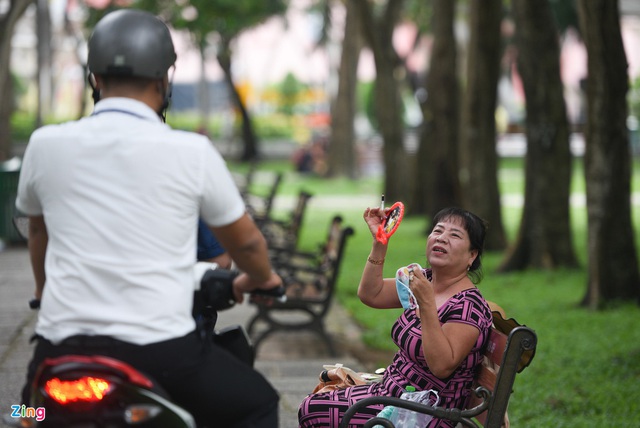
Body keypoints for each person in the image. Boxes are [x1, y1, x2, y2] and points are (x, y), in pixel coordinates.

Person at [16, 9, 281, 428]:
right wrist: (264, 279)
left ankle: (21, 416)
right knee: (258, 402)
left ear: (94, 79)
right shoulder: (191, 152)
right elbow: (245, 245)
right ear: (165, 80)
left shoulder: (43, 144)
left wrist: (45, 293)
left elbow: (37, 230)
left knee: (25, 411)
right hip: (163, 353)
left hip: (58, 349)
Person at [298, 207, 493, 428]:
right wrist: (380, 243)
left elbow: (442, 366)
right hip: (391, 394)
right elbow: (372, 294)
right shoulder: (424, 279)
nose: (442, 238)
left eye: (454, 235)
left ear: (472, 255)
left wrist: (427, 304)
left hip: (425, 411)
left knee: (313, 411)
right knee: (314, 403)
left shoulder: (469, 306)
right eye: (438, 230)